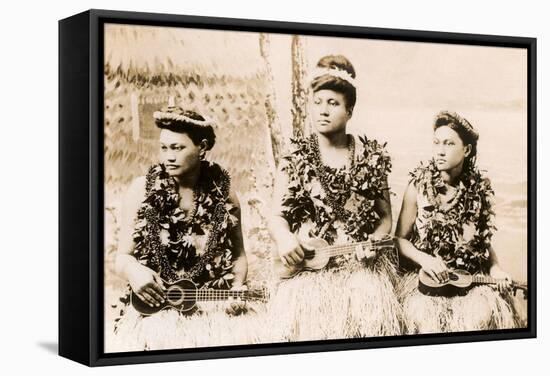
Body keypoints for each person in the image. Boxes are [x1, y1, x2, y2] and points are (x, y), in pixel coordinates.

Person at [267, 55, 402, 341]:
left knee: (367, 315)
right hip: (310, 261)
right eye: (317, 102)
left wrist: (373, 242)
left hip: (358, 261)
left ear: (349, 111)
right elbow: (277, 216)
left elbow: (386, 218)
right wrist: (285, 239)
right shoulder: (294, 158)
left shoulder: (370, 156)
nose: (323, 111)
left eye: (333, 103)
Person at [108, 106, 264, 351]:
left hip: (212, 307)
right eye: (164, 148)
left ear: (201, 148)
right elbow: (121, 258)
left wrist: (236, 289)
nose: (168, 157)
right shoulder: (141, 191)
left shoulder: (225, 194)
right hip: (158, 310)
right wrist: (134, 271)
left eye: (177, 148)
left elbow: (238, 255)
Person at [395, 111, 522, 333]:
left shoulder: (478, 192)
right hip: (426, 279)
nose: (440, 151)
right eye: (436, 143)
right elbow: (400, 240)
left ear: (466, 150)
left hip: (467, 279)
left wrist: (496, 268)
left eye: (449, 143)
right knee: (426, 322)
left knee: (479, 320)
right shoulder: (418, 187)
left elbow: (483, 243)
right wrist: (425, 260)